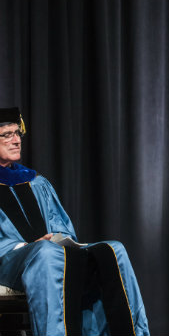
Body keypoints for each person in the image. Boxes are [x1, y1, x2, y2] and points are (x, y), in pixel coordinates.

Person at [0, 107, 150, 336]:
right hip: (9, 262)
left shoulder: (35, 181)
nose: (16, 140)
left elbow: (59, 223)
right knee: (45, 252)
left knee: (112, 250)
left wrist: (61, 239)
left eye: (17, 133)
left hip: (48, 254)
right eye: (7, 135)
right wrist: (29, 247)